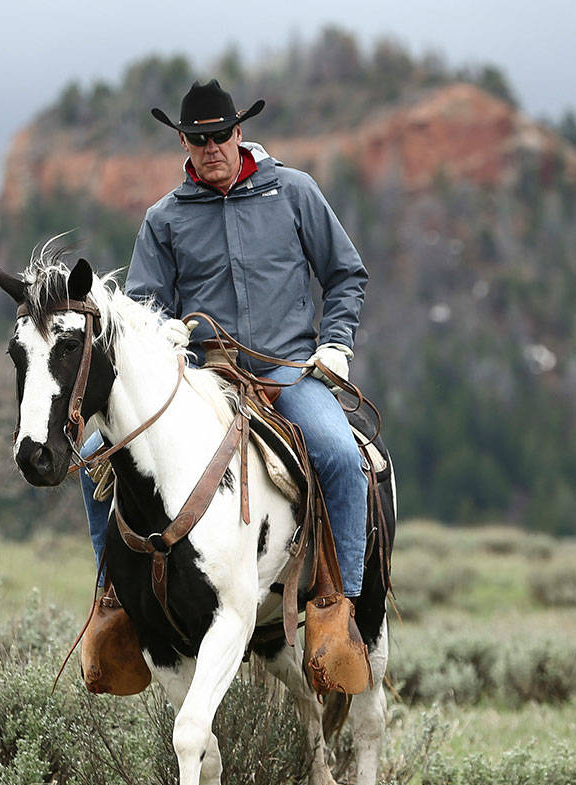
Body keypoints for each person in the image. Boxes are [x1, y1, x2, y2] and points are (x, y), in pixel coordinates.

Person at [78, 79, 369, 692]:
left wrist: (335, 345)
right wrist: (168, 343)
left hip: (286, 369)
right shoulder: (164, 219)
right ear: (183, 142)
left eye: (219, 135)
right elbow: (141, 312)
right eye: (198, 139)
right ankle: (114, 601)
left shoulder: (295, 193)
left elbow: (345, 275)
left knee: (341, 453)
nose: (210, 147)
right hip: (202, 377)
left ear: (239, 133)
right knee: (91, 459)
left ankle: (339, 608)